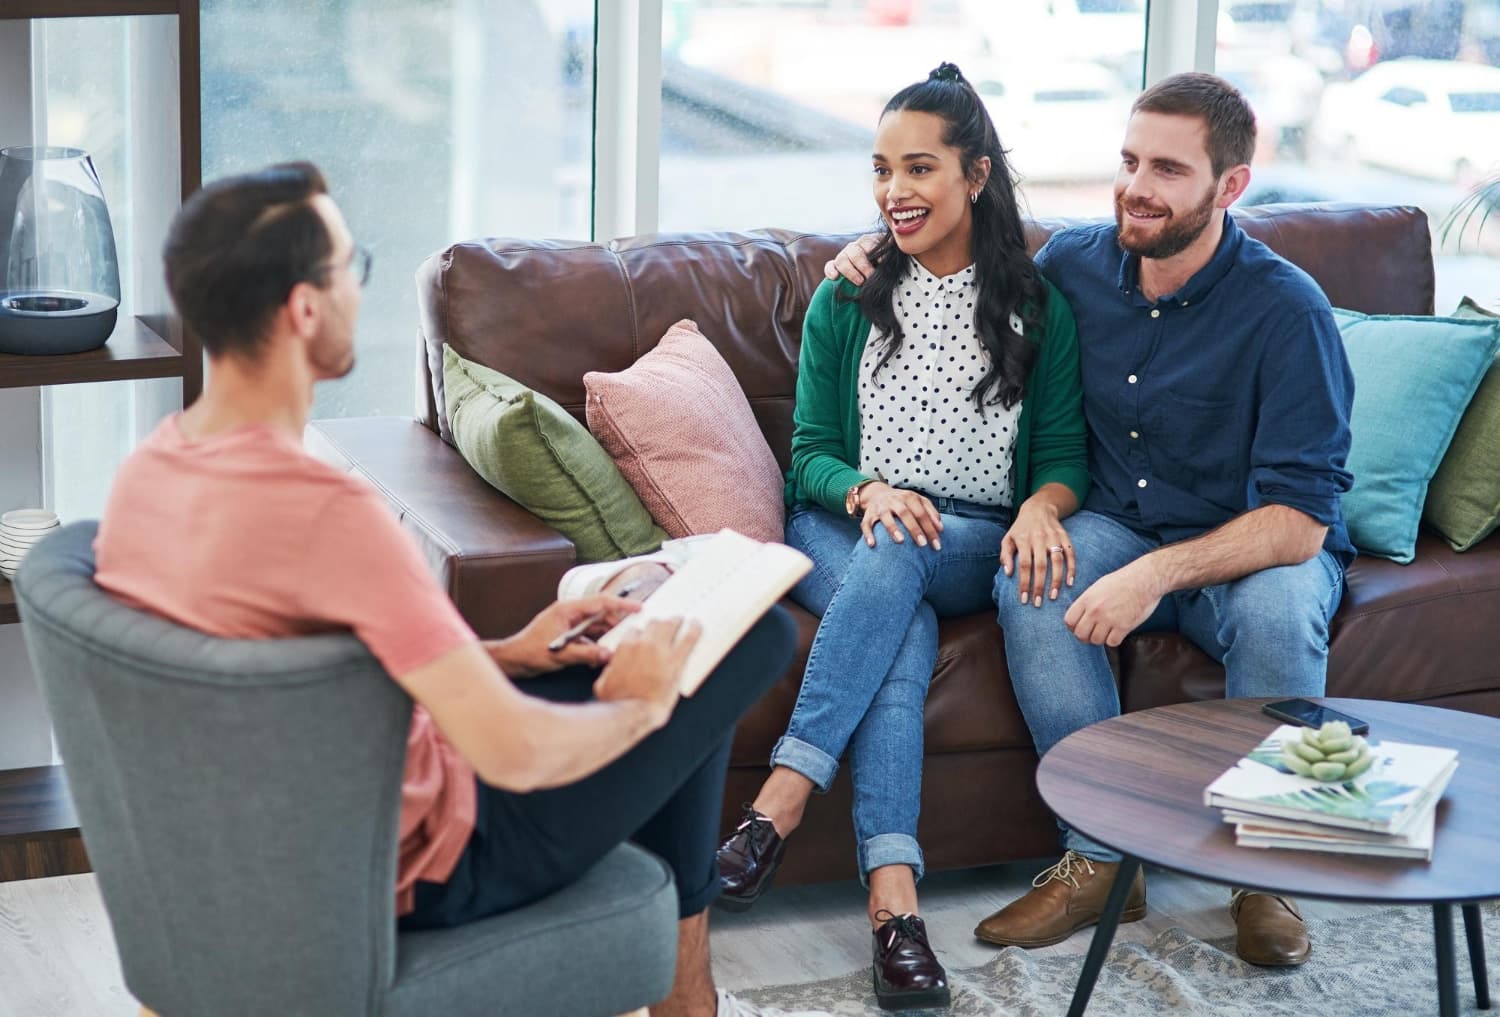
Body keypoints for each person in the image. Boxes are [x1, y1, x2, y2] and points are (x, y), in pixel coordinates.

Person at [92, 162, 830, 1017]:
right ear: (304, 309)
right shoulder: (329, 513)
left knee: (679, 653)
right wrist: (640, 704)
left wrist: (503, 653)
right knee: (742, 640)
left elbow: (293, 673)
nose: (358, 289)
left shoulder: (149, 473)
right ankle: (686, 1000)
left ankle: (682, 997)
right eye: (352, 267)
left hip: (306, 833)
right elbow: (515, 753)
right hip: (435, 857)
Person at [829, 71, 1355, 969]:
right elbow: (963, 261)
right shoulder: (1075, 264)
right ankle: (1103, 861)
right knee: (1032, 579)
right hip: (1117, 522)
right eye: (1129, 160)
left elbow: (1301, 523)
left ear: (1231, 185)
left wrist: (1153, 574)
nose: (1136, 188)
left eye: (1168, 170)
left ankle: (1265, 872)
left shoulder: (1287, 309)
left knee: (1277, 610)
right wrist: (877, 248)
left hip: (1254, 542)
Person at [715, 63, 1088, 1010]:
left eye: (919, 168)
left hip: (970, 537)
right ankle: (896, 911)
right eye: (881, 169)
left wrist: (1043, 506)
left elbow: (1061, 459)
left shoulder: (1038, 307)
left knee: (905, 558)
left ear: (977, 175)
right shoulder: (846, 298)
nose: (894, 191)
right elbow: (810, 457)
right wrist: (868, 490)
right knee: (899, 617)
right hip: (842, 529)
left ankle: (778, 803)